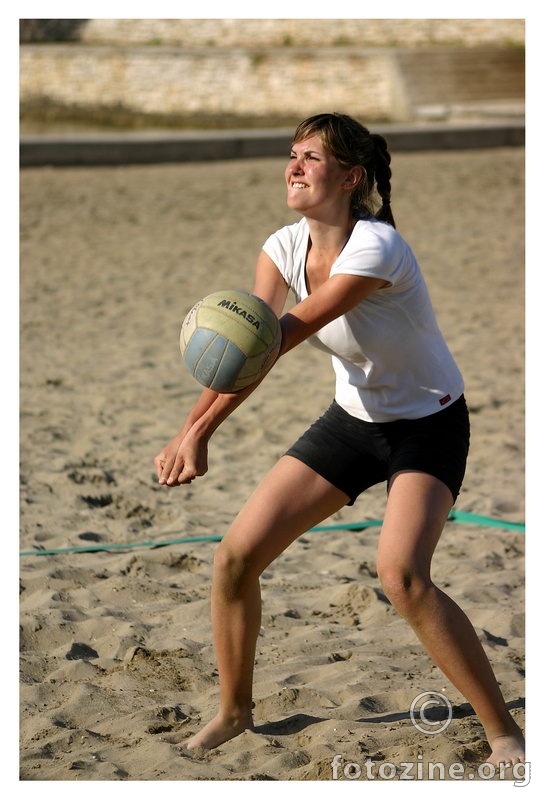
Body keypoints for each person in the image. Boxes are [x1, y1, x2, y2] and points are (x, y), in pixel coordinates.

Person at [154, 113, 524, 767]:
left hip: (428, 425)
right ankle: (235, 712)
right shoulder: (281, 247)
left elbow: (275, 339)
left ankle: (503, 734)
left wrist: (201, 433)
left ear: (351, 177)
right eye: (291, 154)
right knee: (235, 557)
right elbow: (243, 354)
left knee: (403, 576)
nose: (293, 167)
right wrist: (189, 430)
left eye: (311, 158)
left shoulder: (377, 247)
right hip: (352, 422)